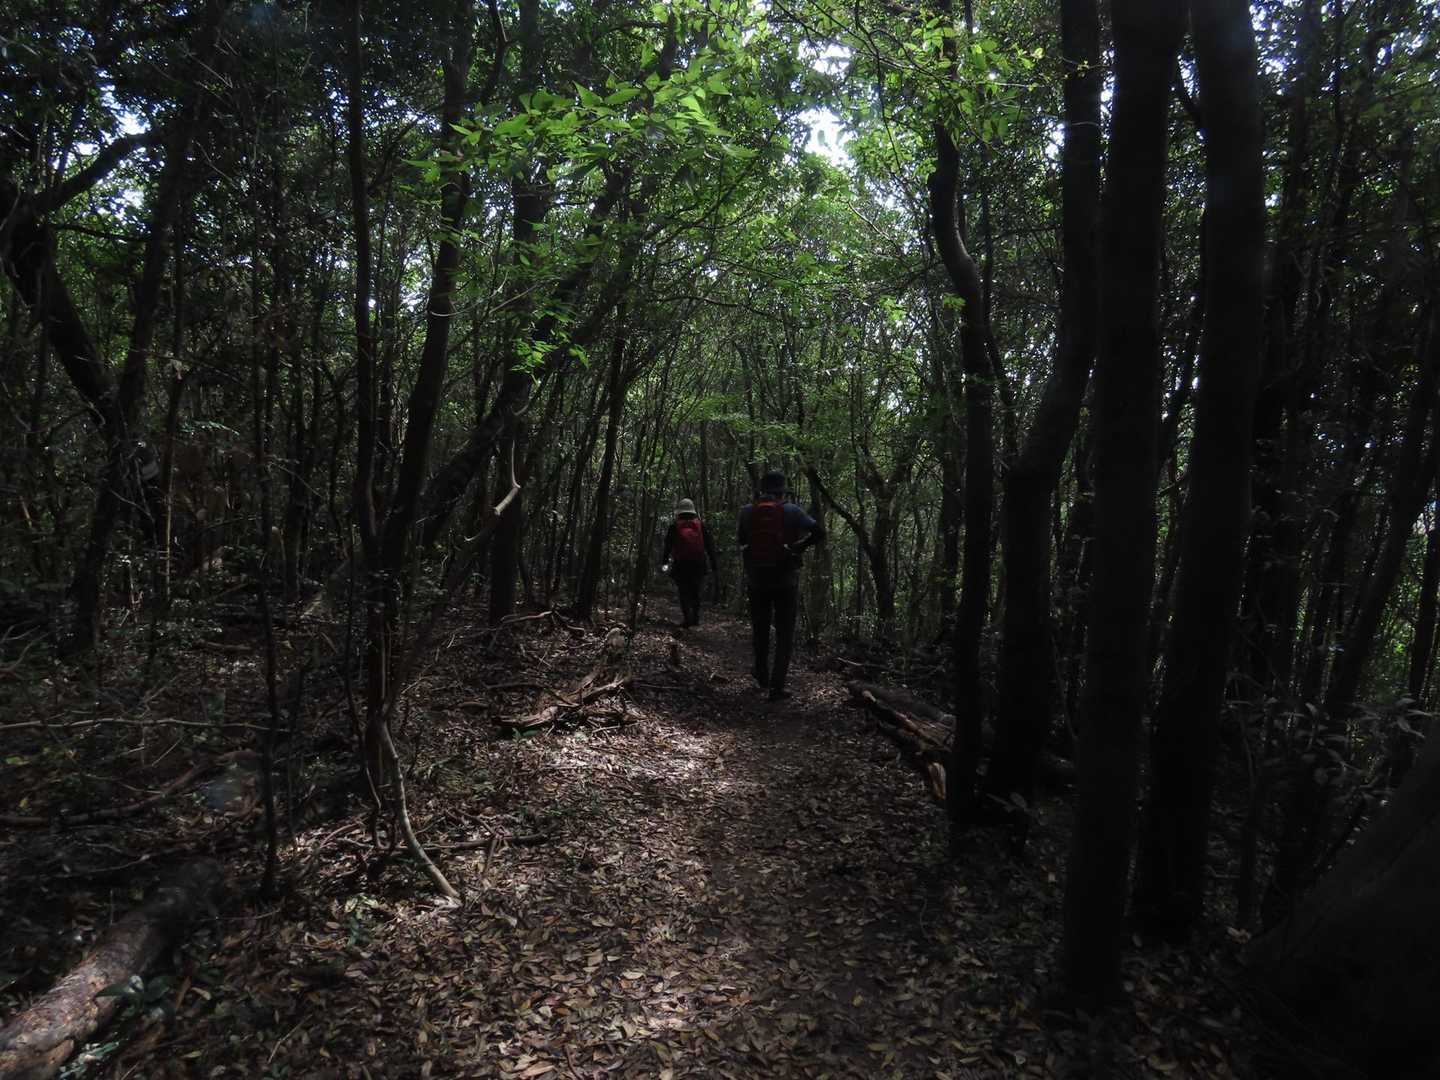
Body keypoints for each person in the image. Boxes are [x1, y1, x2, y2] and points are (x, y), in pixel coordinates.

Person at [737, 470, 825, 701]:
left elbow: (742, 541)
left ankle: (761, 675)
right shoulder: (793, 511)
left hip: (757, 579)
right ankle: (777, 687)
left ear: (762, 490)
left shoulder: (747, 512)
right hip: (786, 580)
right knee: (785, 634)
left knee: (760, 629)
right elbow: (819, 533)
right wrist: (798, 547)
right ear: (782, 491)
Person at [661, 497, 718, 628]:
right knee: (695, 590)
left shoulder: (674, 526)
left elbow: (668, 546)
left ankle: (687, 619)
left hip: (681, 563)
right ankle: (695, 618)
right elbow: (709, 546)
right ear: (693, 511)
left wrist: (664, 562)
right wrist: (714, 564)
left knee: (683, 591)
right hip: (698, 563)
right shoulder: (700, 526)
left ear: (679, 511)